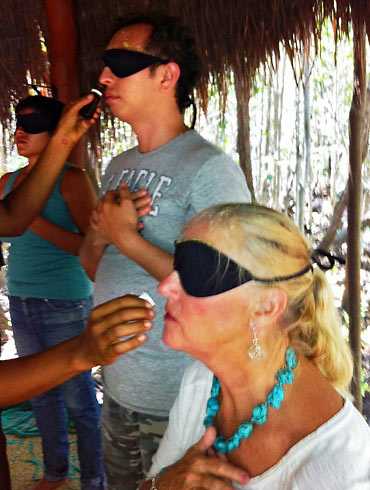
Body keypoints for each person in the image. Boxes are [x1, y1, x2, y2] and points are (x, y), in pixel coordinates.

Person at [79, 14, 251, 489]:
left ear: (166, 75)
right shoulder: (118, 166)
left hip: (181, 401)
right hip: (116, 390)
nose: (103, 77)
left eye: (120, 63)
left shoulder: (208, 169)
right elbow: (93, 268)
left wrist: (128, 239)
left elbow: (228, 288)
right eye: (105, 64)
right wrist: (100, 234)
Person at [137, 202, 370, 490]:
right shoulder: (201, 381)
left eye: (196, 271)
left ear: (265, 307)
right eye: (177, 263)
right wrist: (166, 484)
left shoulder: (341, 468)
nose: (165, 286)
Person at [0, 94, 106, 490]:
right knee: (39, 393)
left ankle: (94, 477)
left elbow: (93, 248)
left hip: (64, 301)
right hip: (21, 298)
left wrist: (35, 224)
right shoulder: (8, 183)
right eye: (17, 124)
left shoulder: (73, 180)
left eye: (31, 125)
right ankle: (55, 473)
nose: (19, 132)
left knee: (78, 397)